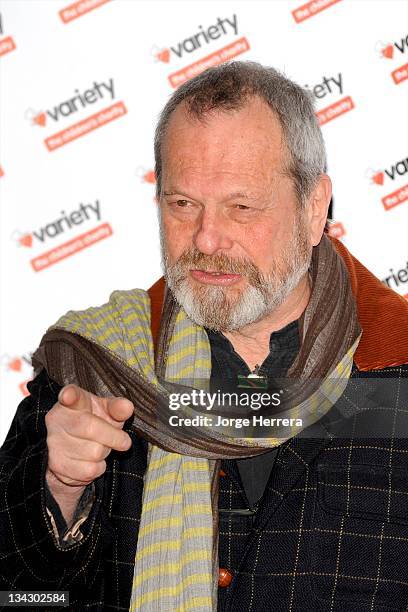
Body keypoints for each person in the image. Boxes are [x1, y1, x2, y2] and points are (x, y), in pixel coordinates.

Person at [1, 61, 408, 612]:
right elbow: (22, 597)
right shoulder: (93, 369)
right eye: (183, 204)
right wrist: (58, 492)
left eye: (241, 207)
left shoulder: (398, 368)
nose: (207, 238)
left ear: (314, 208)